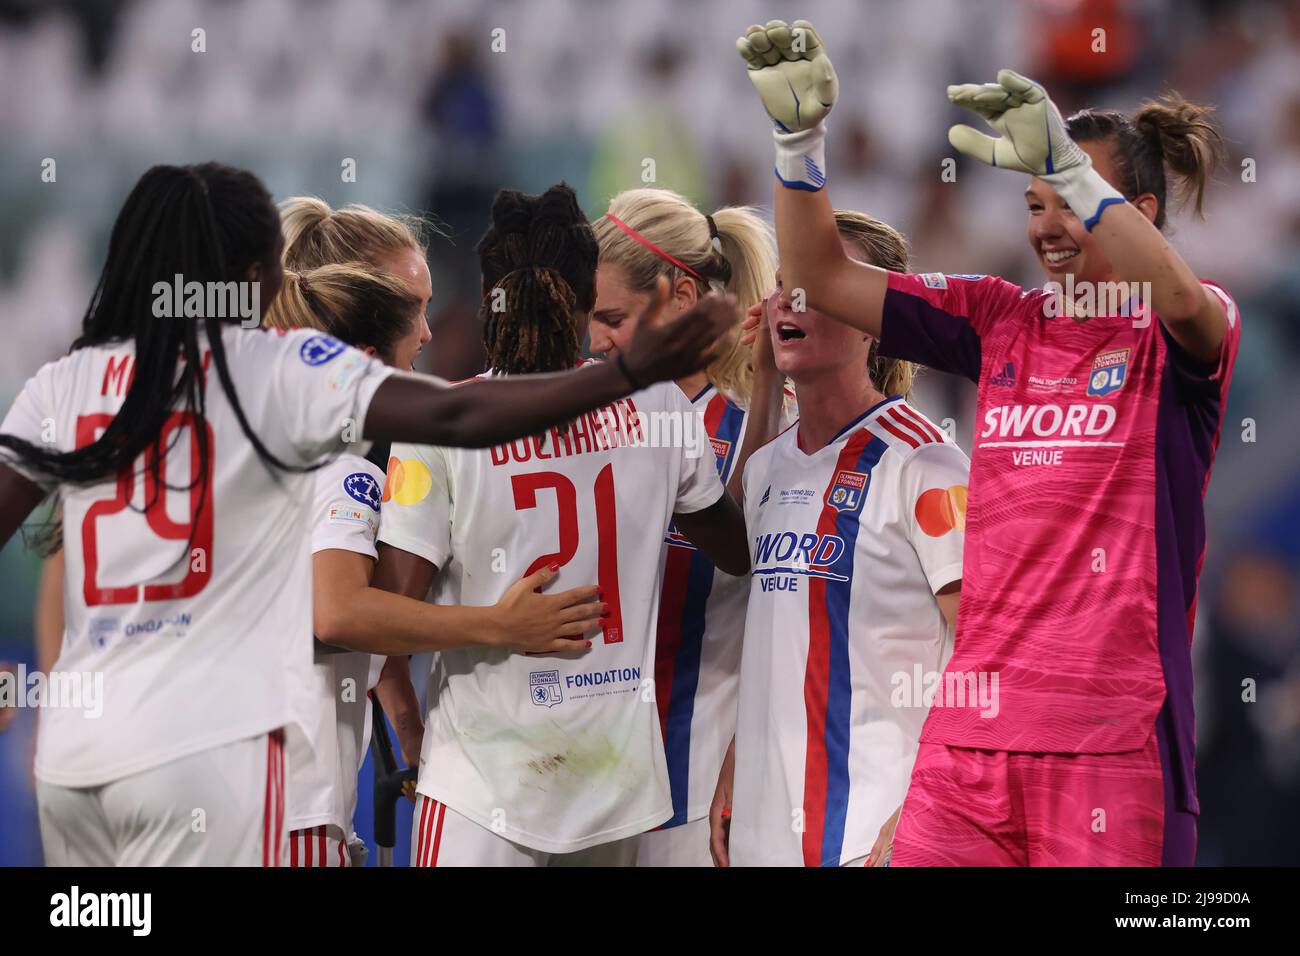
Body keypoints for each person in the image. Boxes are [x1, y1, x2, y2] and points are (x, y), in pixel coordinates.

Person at [0, 162, 734, 867]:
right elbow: (454, 416)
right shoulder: (288, 382)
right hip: (227, 769)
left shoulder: (65, 386)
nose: (424, 332)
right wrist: (628, 377)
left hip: (80, 765)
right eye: (409, 310)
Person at [736, 20, 1238, 865]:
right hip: (969, 746)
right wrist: (799, 143)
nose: (1047, 228)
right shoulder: (1000, 321)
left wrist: (1074, 172)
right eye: (1034, 203)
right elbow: (820, 278)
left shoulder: (1180, 335)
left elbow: (1182, 297)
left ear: (1139, 214)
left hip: (1114, 749)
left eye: (1070, 205)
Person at [373, 183, 750, 866]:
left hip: (482, 790)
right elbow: (738, 549)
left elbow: (386, 619)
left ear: (488, 293)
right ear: (581, 302)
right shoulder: (660, 406)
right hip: (613, 791)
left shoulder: (440, 423)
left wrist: (409, 723)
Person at [263, 260, 607, 867]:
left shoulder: (257, 453)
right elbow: (340, 613)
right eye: (413, 326)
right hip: (294, 800)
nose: (426, 336)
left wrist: (405, 719)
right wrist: (497, 624)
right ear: (364, 363)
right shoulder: (341, 470)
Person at [710, 210, 967, 868]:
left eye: (818, 287)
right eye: (784, 285)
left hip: (871, 841)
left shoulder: (925, 465)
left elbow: (985, 658)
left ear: (872, 322)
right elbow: (772, 638)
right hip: (760, 842)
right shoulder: (767, 467)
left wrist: (924, 802)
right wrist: (738, 757)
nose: (791, 301)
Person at [589, 187, 787, 866]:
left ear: (679, 297)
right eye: (589, 317)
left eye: (612, 317)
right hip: (576, 789)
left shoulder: (762, 440)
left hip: (700, 792)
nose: (594, 340)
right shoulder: (573, 425)